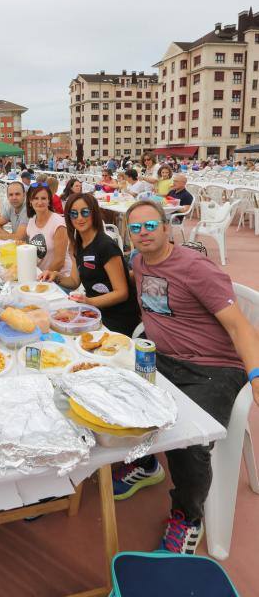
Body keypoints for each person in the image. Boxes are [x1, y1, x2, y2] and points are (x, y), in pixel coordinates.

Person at [113, 200, 259, 554]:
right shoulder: (137, 262)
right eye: (135, 228)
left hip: (213, 368)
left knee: (189, 439)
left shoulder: (197, 269)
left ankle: (188, 516)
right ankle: (147, 464)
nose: (143, 234)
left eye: (151, 226)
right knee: (119, 397)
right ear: (128, 234)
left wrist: (255, 376)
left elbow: (240, 327)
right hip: (163, 359)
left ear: (166, 227)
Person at [41, 193, 140, 334]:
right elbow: (74, 281)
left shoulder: (105, 246)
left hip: (116, 318)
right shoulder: (77, 244)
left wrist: (89, 301)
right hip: (93, 312)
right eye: (74, 214)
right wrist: (55, 275)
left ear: (94, 213)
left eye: (85, 212)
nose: (80, 218)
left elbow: (122, 293)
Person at [24, 185, 70, 277]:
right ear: (30, 201)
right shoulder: (32, 221)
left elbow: (59, 261)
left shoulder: (58, 223)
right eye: (36, 198)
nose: (40, 202)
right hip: (39, 274)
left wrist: (40, 277)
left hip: (59, 278)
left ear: (49, 201)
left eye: (43, 198)